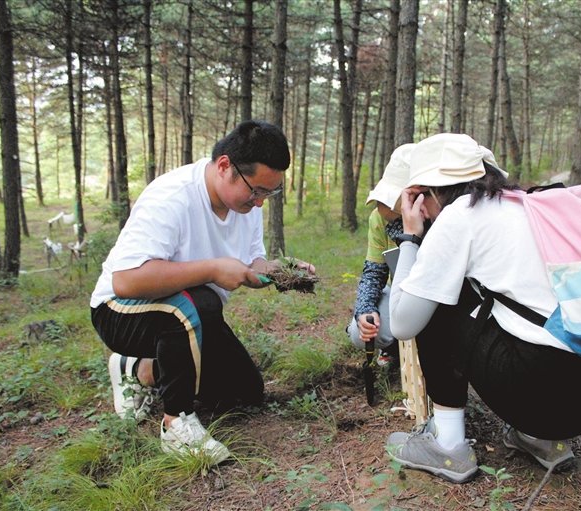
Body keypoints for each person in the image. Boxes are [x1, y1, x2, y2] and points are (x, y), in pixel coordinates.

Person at [385, 133, 581, 483]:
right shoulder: (527, 204)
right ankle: (542, 441)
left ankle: (449, 444)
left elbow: (402, 324)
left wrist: (410, 238)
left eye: (415, 196)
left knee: (438, 297)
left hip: (544, 397)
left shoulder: (461, 215)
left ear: (429, 190)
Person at [90, 120, 316, 465]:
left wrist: (280, 271)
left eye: (269, 194)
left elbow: (252, 261)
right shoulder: (173, 196)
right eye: (256, 191)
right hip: (120, 311)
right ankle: (176, 424)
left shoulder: (245, 207)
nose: (259, 203)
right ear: (225, 166)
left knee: (245, 393)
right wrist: (212, 269)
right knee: (200, 302)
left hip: (192, 316)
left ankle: (140, 371)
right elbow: (126, 281)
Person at [347, 143, 415, 365]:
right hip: (401, 293)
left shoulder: (443, 217)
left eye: (394, 217)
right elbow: (373, 273)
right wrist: (365, 310)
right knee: (360, 334)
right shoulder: (377, 218)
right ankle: (393, 347)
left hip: (438, 300)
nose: (384, 216)